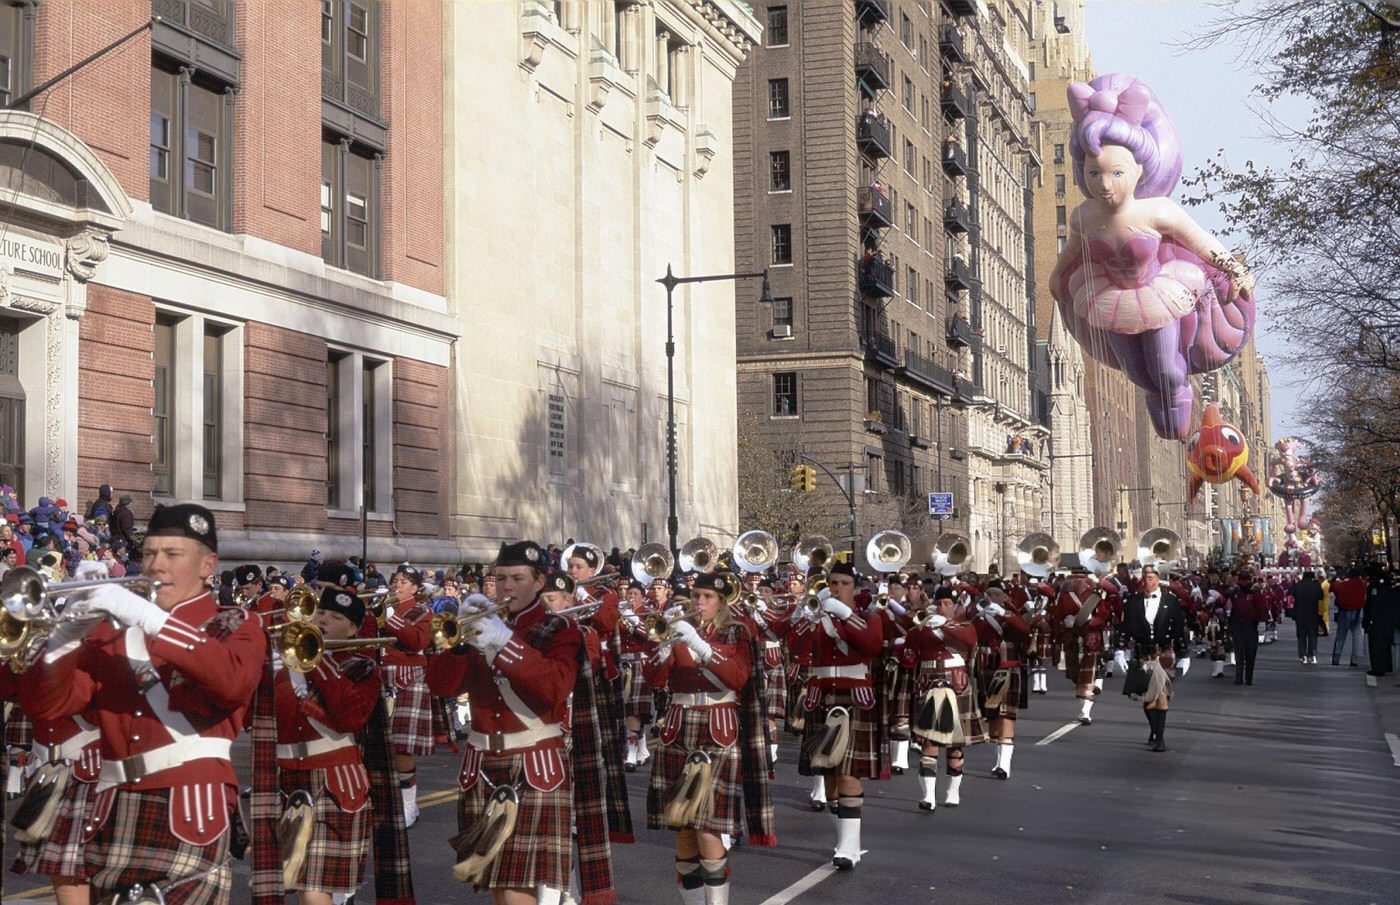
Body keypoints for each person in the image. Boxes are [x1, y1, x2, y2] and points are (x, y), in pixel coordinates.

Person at [21, 503, 265, 904]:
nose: (157, 566)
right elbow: (49, 705)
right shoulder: (112, 630)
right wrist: (67, 633)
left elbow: (233, 683)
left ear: (208, 565)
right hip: (110, 807)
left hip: (191, 804)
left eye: (173, 555)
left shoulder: (235, 623)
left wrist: (146, 617)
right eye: (150, 554)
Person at [1048, 74, 1255, 439]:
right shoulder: (1084, 216)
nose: (1105, 184)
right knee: (1136, 371)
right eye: (1094, 173)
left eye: (1115, 172)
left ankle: (1178, 400)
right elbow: (1069, 255)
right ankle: (1162, 403)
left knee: (1165, 368)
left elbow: (1202, 242)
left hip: (1158, 293)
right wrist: (1056, 281)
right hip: (1108, 298)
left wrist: (1235, 270)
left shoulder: (1158, 210)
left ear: (1140, 168)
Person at [425, 540, 615, 905]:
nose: (506, 587)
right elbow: (442, 685)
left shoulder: (560, 630)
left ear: (539, 581)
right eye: (499, 578)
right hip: (482, 765)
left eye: (517, 578)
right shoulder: (480, 626)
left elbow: (553, 688)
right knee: (499, 885)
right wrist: (460, 644)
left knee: (516, 890)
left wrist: (503, 641)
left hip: (533, 764)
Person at [644, 571, 774, 905]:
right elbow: (654, 680)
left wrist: (699, 645)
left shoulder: (737, 631)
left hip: (718, 727)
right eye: (696, 596)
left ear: (722, 600)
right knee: (682, 826)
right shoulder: (678, 626)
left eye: (707, 597)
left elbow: (737, 676)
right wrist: (663, 649)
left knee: (707, 826)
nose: (700, 603)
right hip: (678, 726)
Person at [273, 588, 381, 905]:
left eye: (336, 618)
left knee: (312, 884)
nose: (323, 620)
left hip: (333, 780)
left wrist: (316, 660)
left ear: (353, 630)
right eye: (321, 614)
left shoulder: (362, 667)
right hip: (287, 781)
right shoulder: (288, 661)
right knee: (298, 882)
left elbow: (351, 716)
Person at [785, 562, 884, 870]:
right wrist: (806, 614)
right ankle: (843, 838)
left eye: (843, 582)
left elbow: (871, 645)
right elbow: (794, 646)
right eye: (832, 582)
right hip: (822, 695)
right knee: (828, 778)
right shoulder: (817, 617)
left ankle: (850, 846)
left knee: (848, 772)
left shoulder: (870, 617)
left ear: (854, 587)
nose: (837, 587)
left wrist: (843, 614)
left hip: (854, 696)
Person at [380, 563, 434, 827]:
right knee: (377, 747)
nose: (397, 585)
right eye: (396, 580)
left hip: (407, 678)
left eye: (403, 582)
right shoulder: (381, 606)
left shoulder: (421, 611)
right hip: (379, 676)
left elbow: (417, 642)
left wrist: (390, 617)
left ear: (414, 587)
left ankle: (409, 805)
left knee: (401, 747)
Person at [1120, 564, 1187, 751]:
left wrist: (1184, 653)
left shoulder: (1170, 601)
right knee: (1148, 698)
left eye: (1151, 577)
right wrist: (1120, 649)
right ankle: (1154, 730)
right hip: (1143, 652)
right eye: (1145, 577)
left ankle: (1160, 737)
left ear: (1158, 578)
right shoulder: (1133, 601)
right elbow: (1125, 626)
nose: (1147, 581)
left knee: (1162, 695)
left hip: (1164, 651)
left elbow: (1179, 627)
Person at [1228, 572, 1268, 685]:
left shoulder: (1255, 592)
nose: (1244, 582)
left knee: (1250, 652)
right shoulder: (1235, 592)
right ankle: (1238, 677)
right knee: (1239, 651)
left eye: (1246, 580)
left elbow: (1260, 607)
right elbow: (1229, 606)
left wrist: (1262, 621)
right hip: (1237, 623)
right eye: (1242, 580)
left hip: (1251, 624)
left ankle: (1248, 677)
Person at [1330, 568, 1368, 667]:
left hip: (1344, 611)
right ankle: (1355, 659)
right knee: (1357, 636)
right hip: (1359, 610)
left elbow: (1334, 590)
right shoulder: (1363, 585)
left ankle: (1336, 658)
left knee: (1341, 636)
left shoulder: (1342, 585)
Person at [1289, 571, 1323, 664]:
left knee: (1301, 635)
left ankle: (1303, 655)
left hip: (1300, 613)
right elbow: (1321, 596)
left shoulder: (1298, 585)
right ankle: (1312, 655)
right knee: (1312, 635)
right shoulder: (1316, 586)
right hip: (1313, 613)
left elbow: (1292, 594)